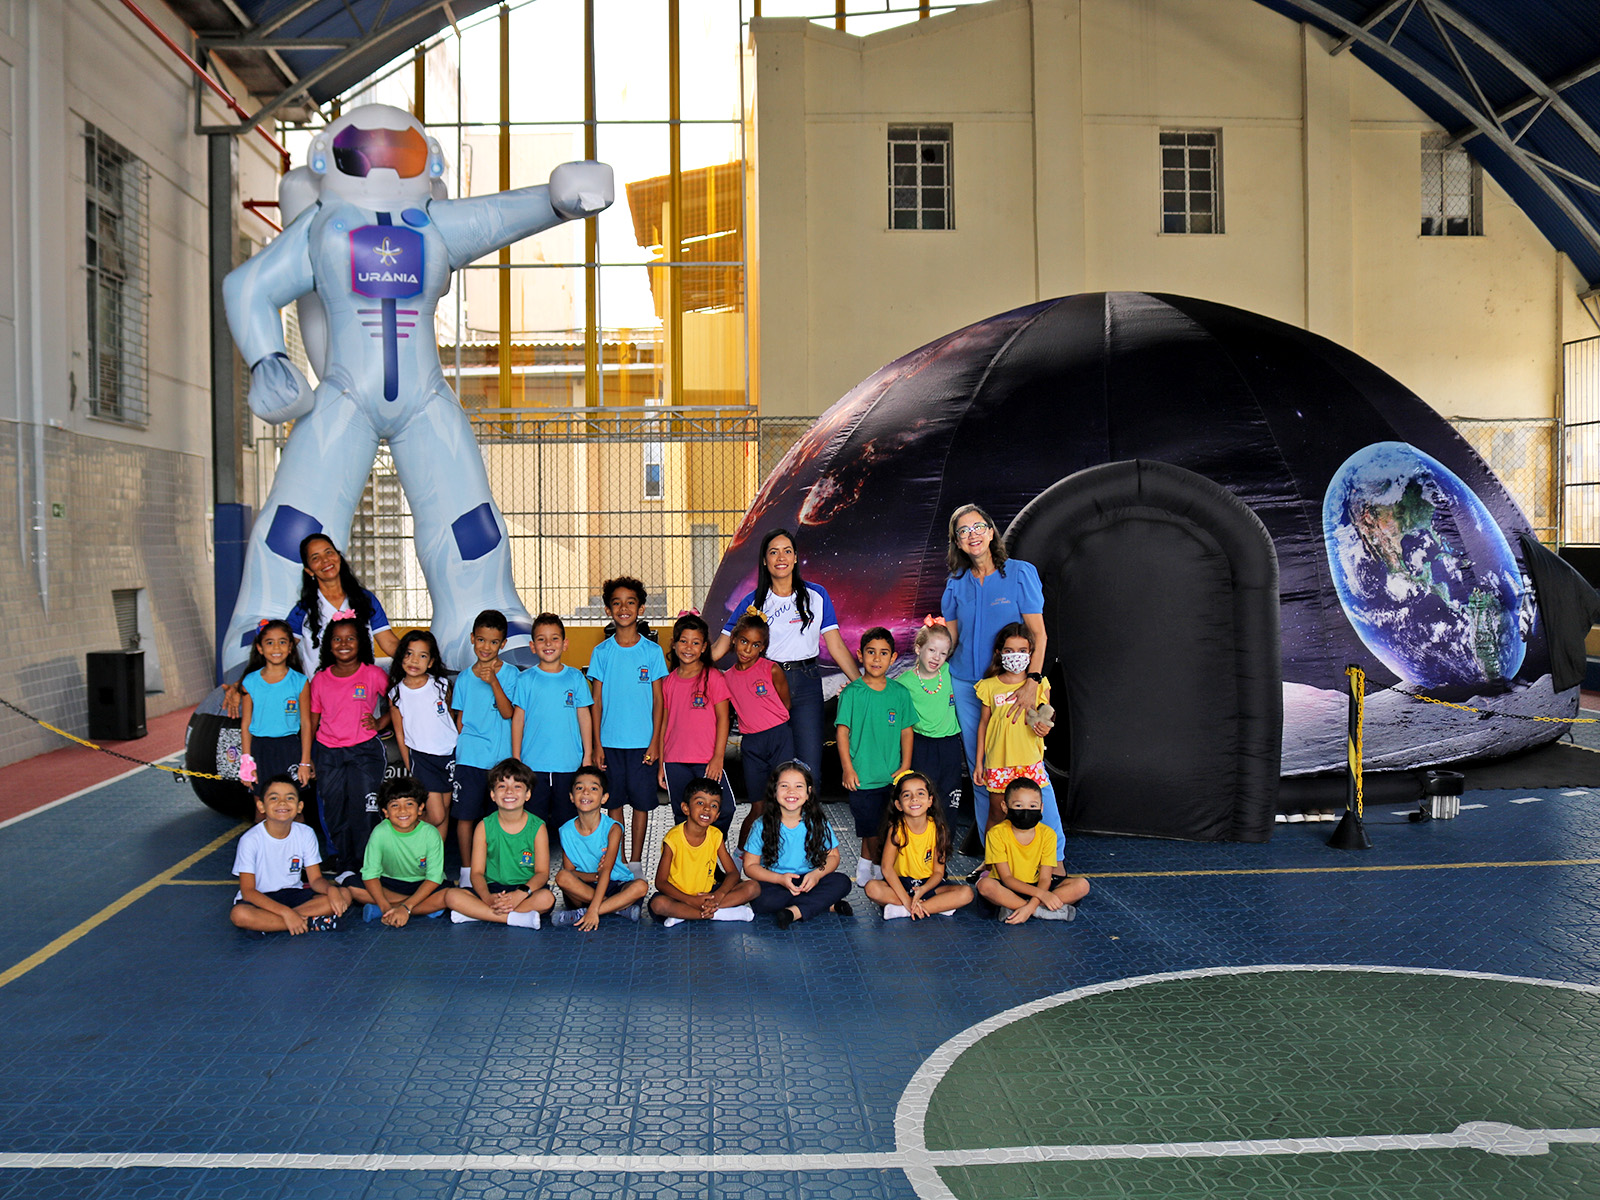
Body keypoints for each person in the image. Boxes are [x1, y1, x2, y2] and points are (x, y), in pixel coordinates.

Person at [939, 503, 1059, 837]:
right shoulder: (956, 583)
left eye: (978, 527)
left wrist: (1032, 682)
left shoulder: (1020, 574)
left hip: (1011, 688)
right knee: (982, 772)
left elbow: (1039, 636)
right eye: (963, 531)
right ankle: (993, 848)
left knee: (1030, 770)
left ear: (991, 532)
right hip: (966, 686)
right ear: (957, 542)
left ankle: (1054, 852)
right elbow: (950, 640)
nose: (972, 535)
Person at [711, 528, 859, 779]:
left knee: (809, 765)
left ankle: (809, 807)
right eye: (774, 552)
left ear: (795, 557)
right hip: (766, 684)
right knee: (776, 766)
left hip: (807, 682)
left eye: (787, 551)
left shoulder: (817, 595)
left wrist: (863, 684)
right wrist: (687, 667)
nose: (781, 557)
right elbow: (720, 647)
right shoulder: (752, 602)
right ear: (764, 560)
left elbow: (836, 645)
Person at [586, 577, 668, 880]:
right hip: (610, 744)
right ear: (608, 610)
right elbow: (596, 702)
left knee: (641, 804)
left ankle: (635, 862)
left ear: (641, 608)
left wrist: (655, 742)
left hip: (643, 745)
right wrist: (597, 745)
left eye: (630, 602)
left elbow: (659, 702)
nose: (624, 608)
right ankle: (619, 861)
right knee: (615, 803)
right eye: (617, 603)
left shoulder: (652, 652)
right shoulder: (601, 652)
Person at [300, 614, 389, 876]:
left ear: (361, 642)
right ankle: (344, 863)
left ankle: (367, 865)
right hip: (328, 753)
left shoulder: (373, 674)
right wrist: (308, 757)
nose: (344, 644)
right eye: (337, 639)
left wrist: (380, 722)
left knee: (365, 810)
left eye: (350, 638)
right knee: (335, 809)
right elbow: (312, 721)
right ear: (329, 645)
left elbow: (398, 701)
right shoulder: (320, 679)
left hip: (364, 752)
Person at [835, 627, 914, 886]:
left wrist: (905, 765)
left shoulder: (900, 693)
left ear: (893, 658)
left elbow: (906, 731)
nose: (877, 659)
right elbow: (842, 732)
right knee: (871, 828)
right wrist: (848, 768)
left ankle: (867, 866)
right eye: (871, 652)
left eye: (883, 653)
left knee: (886, 826)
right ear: (860, 655)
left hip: (891, 777)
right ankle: (878, 869)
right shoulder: (852, 693)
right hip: (862, 777)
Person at [451, 609, 520, 886]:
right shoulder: (464, 678)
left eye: (493, 642)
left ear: (503, 643)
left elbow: (508, 712)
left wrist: (493, 681)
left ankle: (496, 869)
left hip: (500, 761)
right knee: (465, 816)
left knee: (499, 817)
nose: (486, 647)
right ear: (472, 639)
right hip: (469, 758)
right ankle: (467, 871)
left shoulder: (512, 675)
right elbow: (460, 720)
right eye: (481, 640)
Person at [229, 775, 350, 933]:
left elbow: (315, 880)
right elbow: (248, 891)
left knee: (344, 894)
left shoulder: (306, 833)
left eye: (290, 798)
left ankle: (271, 924)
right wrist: (285, 912)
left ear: (299, 807)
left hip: (293, 894)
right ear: (261, 806)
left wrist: (330, 889)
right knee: (240, 915)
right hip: (261, 898)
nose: (282, 803)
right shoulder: (250, 840)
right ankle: (309, 922)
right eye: (274, 798)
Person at [973, 623, 1062, 837]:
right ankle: (992, 856)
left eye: (1022, 650)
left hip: (1029, 761)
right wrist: (979, 762)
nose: (1016, 656)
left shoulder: (1040, 685)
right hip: (998, 762)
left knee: (1030, 817)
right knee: (997, 814)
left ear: (1031, 653)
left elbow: (1047, 716)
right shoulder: (989, 686)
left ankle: (1029, 855)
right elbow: (983, 724)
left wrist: (1044, 729)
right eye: (1009, 650)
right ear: (999, 653)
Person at [740, 760, 852, 929]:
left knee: (842, 882)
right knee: (760, 899)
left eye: (798, 786)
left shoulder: (818, 822)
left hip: (810, 880)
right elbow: (749, 866)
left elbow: (833, 856)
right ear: (774, 791)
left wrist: (816, 875)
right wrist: (780, 879)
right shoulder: (761, 825)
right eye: (784, 786)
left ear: (808, 792)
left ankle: (794, 912)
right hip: (776, 882)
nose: (791, 791)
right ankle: (824, 905)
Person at [445, 758, 555, 928]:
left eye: (517, 787)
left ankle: (478, 914)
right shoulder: (484, 826)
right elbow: (477, 873)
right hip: (492, 890)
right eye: (502, 786)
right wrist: (487, 898)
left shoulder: (537, 827)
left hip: (525, 890)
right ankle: (515, 918)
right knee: (451, 896)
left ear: (527, 794)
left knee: (546, 899)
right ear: (493, 795)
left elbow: (542, 874)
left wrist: (519, 894)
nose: (509, 792)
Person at [510, 613, 594, 836]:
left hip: (568, 765)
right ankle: (534, 859)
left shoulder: (575, 678)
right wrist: (516, 758)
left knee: (569, 823)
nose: (548, 644)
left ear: (565, 644)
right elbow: (518, 720)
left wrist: (587, 755)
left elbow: (584, 717)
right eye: (541, 639)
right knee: (533, 824)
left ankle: (569, 859)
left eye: (554, 638)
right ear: (532, 646)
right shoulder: (525, 679)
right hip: (533, 765)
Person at [721, 611, 793, 853]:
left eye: (755, 645)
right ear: (734, 639)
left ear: (762, 647)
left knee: (785, 803)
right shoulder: (727, 679)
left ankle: (784, 857)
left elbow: (786, 704)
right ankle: (740, 854)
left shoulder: (771, 670)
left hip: (779, 738)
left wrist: (771, 721)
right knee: (759, 806)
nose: (748, 649)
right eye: (744, 641)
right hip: (752, 744)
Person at [659, 613, 738, 833]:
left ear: (704, 648)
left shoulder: (713, 677)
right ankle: (687, 856)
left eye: (695, 643)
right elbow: (664, 724)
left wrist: (718, 757)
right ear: (674, 644)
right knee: (682, 814)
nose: (688, 647)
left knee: (724, 809)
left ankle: (712, 851)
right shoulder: (669, 682)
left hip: (706, 761)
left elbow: (723, 719)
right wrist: (661, 763)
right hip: (675, 761)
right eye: (683, 641)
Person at [648, 777, 758, 926]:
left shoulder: (715, 835)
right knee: (658, 904)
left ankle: (687, 914)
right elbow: (660, 882)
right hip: (680, 896)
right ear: (686, 808)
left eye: (714, 805)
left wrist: (718, 895)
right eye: (700, 803)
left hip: (709, 893)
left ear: (717, 815)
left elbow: (733, 873)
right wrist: (690, 900)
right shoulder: (673, 839)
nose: (707, 808)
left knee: (753, 887)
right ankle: (718, 913)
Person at [977, 778, 1089, 925]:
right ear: (1005, 806)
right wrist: (1042, 896)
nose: (1026, 811)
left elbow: (1045, 878)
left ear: (1041, 808)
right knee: (985, 886)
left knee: (1082, 885)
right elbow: (1007, 878)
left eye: (1032, 806)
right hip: (1009, 887)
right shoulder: (996, 834)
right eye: (1018, 805)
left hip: (1039, 886)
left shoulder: (1048, 834)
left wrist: (1033, 902)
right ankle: (1042, 911)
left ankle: (1016, 907)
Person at [864, 771, 973, 919]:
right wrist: (907, 900)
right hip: (901, 884)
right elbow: (886, 868)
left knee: (966, 893)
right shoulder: (896, 830)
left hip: (928, 885)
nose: (914, 799)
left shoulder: (938, 829)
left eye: (920, 793)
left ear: (930, 801)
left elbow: (938, 872)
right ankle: (931, 906)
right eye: (907, 795)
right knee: (872, 888)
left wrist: (923, 889)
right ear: (899, 805)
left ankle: (904, 910)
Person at [288, 533, 399, 676]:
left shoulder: (365, 599)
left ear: (339, 556)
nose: (325, 560)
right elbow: (283, 646)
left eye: (329, 552)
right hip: (319, 689)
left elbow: (389, 642)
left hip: (363, 687)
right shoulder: (303, 609)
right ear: (309, 570)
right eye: (315, 558)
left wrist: (416, 657)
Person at [553, 766, 649, 929]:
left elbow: (607, 870)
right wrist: (593, 877)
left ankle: (585, 913)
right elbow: (570, 872)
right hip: (585, 887)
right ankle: (616, 908)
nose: (586, 792)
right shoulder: (566, 831)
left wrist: (593, 909)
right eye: (579, 788)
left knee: (641, 886)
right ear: (571, 797)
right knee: (562, 877)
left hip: (615, 883)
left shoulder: (613, 829)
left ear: (604, 798)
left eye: (593, 788)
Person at [349, 777, 450, 925]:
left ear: (420, 808)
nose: (403, 810)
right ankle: (422, 907)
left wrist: (405, 907)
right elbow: (370, 874)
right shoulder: (380, 832)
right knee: (352, 886)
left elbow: (433, 878)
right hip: (389, 883)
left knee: (448, 894)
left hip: (421, 883)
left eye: (409, 804)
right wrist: (384, 906)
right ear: (386, 812)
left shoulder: (431, 834)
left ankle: (392, 909)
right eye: (395, 805)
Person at [386, 630, 456, 834]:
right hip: (422, 758)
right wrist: (410, 764)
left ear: (431, 662)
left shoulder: (441, 685)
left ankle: (437, 855)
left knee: (445, 811)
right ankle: (401, 827)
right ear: (401, 657)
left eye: (422, 655)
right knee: (436, 815)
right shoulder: (396, 694)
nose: (414, 660)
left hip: (449, 754)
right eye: (409, 654)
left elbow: (450, 716)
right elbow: (400, 734)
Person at [897, 620, 965, 813]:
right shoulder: (905, 682)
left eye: (943, 653)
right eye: (932, 650)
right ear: (918, 649)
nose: (937, 657)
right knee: (922, 796)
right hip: (921, 745)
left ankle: (946, 833)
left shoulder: (949, 671)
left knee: (949, 797)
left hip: (949, 745)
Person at [238, 620, 309, 799]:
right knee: (262, 803)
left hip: (290, 748)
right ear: (260, 648)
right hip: (260, 749)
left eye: (282, 642)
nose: (276, 647)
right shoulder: (250, 682)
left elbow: (306, 723)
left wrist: (305, 762)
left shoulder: (300, 681)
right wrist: (246, 760)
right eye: (270, 642)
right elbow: (246, 723)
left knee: (293, 803)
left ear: (290, 647)